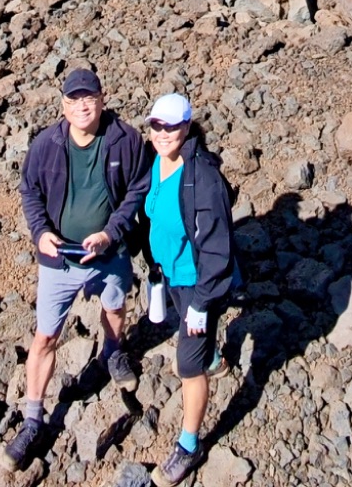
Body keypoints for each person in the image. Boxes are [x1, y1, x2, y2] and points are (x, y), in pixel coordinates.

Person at [2, 66, 151, 468]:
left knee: (116, 306)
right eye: (74, 100)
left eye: (90, 98)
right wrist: (39, 232)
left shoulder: (126, 140)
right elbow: (29, 190)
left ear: (103, 99)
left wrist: (112, 232)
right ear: (64, 106)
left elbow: (139, 188)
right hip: (59, 259)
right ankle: (33, 419)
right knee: (46, 337)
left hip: (110, 251)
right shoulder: (46, 145)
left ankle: (112, 351)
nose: (83, 106)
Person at [139, 92, 239, 486]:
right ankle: (213, 355)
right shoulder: (157, 163)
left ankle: (189, 444)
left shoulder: (203, 178)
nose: (163, 133)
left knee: (187, 367)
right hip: (171, 275)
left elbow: (217, 248)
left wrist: (201, 303)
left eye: (171, 125)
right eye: (156, 125)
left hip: (199, 284)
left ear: (187, 125)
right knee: (192, 339)